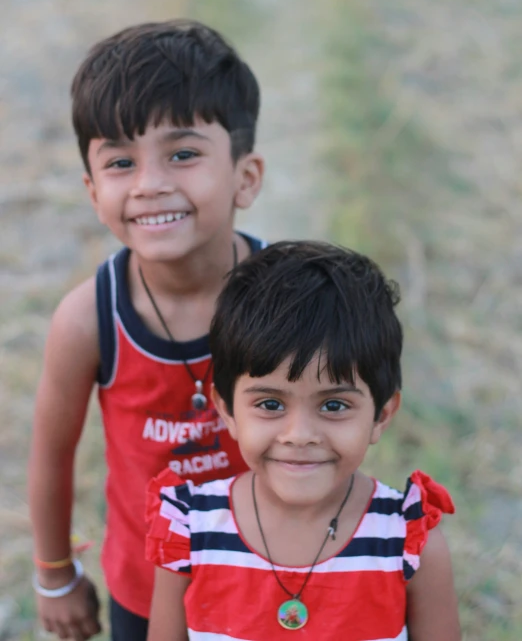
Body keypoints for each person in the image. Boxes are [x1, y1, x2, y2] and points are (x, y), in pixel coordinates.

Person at [28, 20, 265, 641]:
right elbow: (52, 457)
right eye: (119, 162)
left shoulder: (284, 297)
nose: (149, 183)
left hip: (274, 576)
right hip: (144, 588)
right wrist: (54, 574)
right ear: (92, 190)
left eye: (182, 154)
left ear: (246, 176)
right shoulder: (88, 320)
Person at [146, 241, 461, 641]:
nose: (299, 435)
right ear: (226, 410)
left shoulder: (409, 542)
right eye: (270, 403)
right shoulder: (189, 531)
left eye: (333, 405)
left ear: (381, 415)